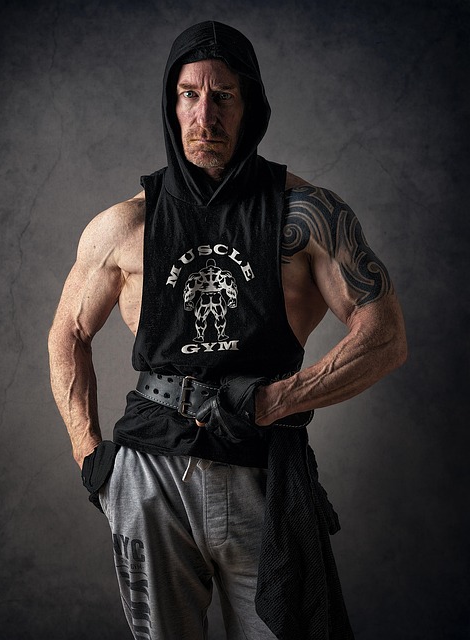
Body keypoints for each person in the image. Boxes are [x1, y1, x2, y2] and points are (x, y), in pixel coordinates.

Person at [48, 21, 407, 640]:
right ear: (171, 105)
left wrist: (276, 401)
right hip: (149, 473)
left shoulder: (306, 215)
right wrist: (89, 454)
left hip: (261, 473)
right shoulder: (125, 226)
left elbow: (385, 335)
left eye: (223, 97)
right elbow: (68, 333)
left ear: (250, 105)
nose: (204, 116)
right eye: (189, 95)